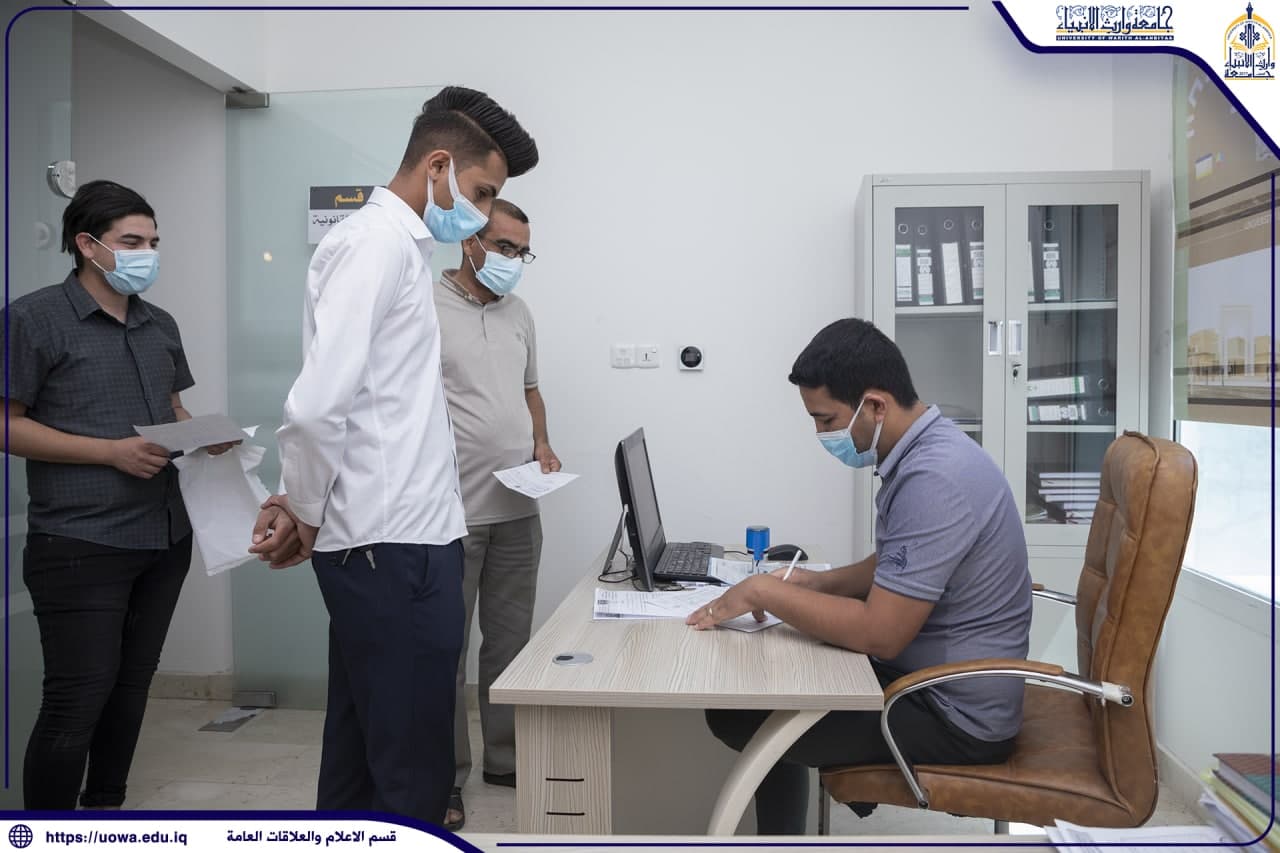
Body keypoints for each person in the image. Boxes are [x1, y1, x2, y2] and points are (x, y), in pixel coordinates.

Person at [247, 86, 538, 824]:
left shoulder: (401, 248)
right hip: (390, 546)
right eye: (481, 192)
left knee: (362, 749)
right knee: (411, 766)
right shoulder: (373, 245)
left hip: (403, 537)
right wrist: (303, 507)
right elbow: (318, 405)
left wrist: (307, 504)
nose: (481, 210)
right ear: (437, 165)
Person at [686, 317, 1032, 835]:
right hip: (936, 682)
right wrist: (817, 584)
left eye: (827, 420)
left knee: (740, 714)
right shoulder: (929, 450)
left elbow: (880, 635)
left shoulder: (934, 478)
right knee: (772, 688)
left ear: (874, 405)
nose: (821, 434)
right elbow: (901, 562)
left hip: (954, 714)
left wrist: (764, 591)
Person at [6, 180, 236, 810]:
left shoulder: (159, 324)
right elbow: (6, 423)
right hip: (80, 541)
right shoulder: (32, 318)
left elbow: (172, 408)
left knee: (131, 690)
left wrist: (204, 436)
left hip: (163, 536)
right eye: (132, 242)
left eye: (153, 242)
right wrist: (109, 452)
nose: (147, 254)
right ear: (87, 245)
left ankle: (105, 812)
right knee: (75, 700)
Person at [433, 199, 558, 831]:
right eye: (504, 247)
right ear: (469, 242)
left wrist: (542, 444)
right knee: (445, 651)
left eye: (521, 251)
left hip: (517, 506)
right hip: (449, 511)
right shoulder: (426, 306)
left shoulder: (519, 312)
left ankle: (504, 760)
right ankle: (444, 777)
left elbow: (530, 390)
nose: (514, 260)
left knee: (510, 643)